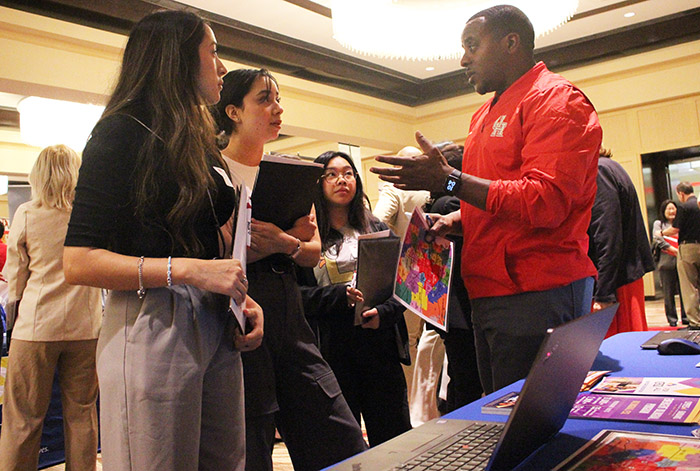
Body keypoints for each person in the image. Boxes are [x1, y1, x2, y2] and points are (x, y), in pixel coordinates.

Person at [63, 11, 263, 471]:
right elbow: (78, 262)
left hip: (213, 319)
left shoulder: (194, 138)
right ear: (177, 59)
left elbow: (209, 241)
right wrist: (187, 269)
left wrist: (239, 298)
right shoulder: (120, 133)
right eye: (213, 52)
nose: (222, 67)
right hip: (150, 320)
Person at [371, 4, 601, 394]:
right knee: (499, 413)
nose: (463, 59)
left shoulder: (556, 101)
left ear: (511, 42)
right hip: (488, 289)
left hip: (536, 289)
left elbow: (546, 200)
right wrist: (457, 220)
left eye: (472, 46)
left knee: (530, 424)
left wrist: (450, 181)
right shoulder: (483, 115)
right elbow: (498, 195)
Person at [212, 69, 367, 471]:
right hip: (239, 314)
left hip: (290, 314)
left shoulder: (293, 172)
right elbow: (211, 255)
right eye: (264, 99)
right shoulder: (212, 174)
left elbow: (313, 252)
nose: (277, 108)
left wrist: (282, 242)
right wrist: (271, 246)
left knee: (341, 435)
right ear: (233, 111)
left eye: (278, 99)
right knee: (252, 443)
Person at [297, 150, 411, 446]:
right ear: (318, 183)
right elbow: (296, 296)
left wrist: (384, 313)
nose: (341, 180)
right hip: (332, 349)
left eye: (348, 173)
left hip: (379, 346)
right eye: (331, 174)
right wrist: (338, 297)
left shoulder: (377, 228)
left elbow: (403, 287)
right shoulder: (306, 236)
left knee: (393, 439)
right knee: (343, 443)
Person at [0, 145, 102, 471]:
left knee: (24, 419)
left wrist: (12, 324)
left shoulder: (27, 214)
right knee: (82, 414)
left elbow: (15, 281)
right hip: (86, 327)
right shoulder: (91, 216)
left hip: (36, 325)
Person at [423, 144, 483, 413]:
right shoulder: (450, 204)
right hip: (461, 306)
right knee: (467, 379)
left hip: (449, 307)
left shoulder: (439, 203)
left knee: (459, 377)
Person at [588, 147, 654, 337]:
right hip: (622, 276)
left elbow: (607, 233)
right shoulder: (610, 167)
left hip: (615, 281)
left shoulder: (598, 171)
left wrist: (604, 293)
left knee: (618, 351)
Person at [662, 182, 700, 330]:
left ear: (680, 193)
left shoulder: (684, 207)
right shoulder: (698, 204)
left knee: (689, 286)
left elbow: (675, 229)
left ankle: (695, 322)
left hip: (688, 248)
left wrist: (661, 233)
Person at [653, 199, 687, 326]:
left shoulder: (681, 223)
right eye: (669, 209)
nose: (672, 211)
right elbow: (657, 238)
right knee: (668, 293)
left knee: (684, 291)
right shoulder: (659, 224)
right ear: (664, 211)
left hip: (682, 261)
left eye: (673, 208)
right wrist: (672, 249)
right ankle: (672, 320)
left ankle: (686, 317)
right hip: (666, 263)